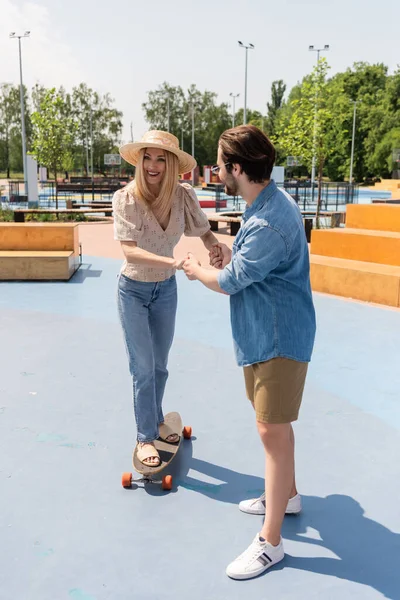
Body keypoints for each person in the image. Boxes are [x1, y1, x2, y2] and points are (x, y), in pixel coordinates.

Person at [182, 125, 316, 580]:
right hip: (265, 335)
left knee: (271, 433)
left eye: (220, 164)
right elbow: (246, 266)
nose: (217, 171)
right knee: (275, 429)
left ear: (238, 168)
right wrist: (226, 256)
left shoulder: (268, 220)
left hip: (278, 340)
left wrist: (198, 269)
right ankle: (288, 496)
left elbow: (231, 282)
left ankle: (271, 541)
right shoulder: (264, 205)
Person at [113, 130, 218, 467]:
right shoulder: (126, 198)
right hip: (133, 291)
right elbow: (129, 252)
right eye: (147, 157)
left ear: (172, 165)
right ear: (139, 161)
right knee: (142, 367)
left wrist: (215, 247)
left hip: (165, 292)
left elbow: (202, 228)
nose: (153, 165)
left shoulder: (182, 195)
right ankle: (145, 437)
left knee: (160, 366)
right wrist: (174, 262)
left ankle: (158, 420)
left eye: (161, 158)